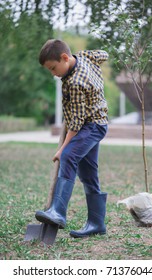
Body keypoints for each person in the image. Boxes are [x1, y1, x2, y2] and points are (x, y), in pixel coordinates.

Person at [35, 39, 109, 238]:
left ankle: (58, 211)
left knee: (68, 156)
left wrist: (61, 150)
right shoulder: (85, 56)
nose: (53, 73)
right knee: (88, 175)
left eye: (53, 68)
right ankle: (97, 223)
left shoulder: (75, 83)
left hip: (90, 127)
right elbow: (103, 54)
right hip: (98, 123)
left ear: (65, 58)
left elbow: (75, 126)